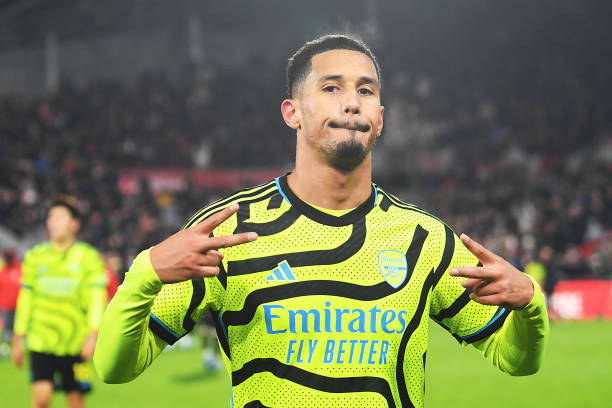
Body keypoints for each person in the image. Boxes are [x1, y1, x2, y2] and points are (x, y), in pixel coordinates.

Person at [94, 34, 549, 408]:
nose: (352, 102)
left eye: (366, 91)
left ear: (380, 119)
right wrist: (146, 272)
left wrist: (531, 305)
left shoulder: (424, 239)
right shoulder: (228, 231)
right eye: (331, 88)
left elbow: (516, 361)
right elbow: (115, 368)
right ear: (292, 112)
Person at [12, 197, 107, 408]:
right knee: (41, 400)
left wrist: (93, 335)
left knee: (76, 399)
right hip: (40, 340)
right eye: (51, 217)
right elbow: (26, 298)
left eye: (60, 217)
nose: (54, 222)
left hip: (77, 342)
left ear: (75, 224)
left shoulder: (89, 257)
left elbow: (96, 299)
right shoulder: (35, 256)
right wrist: (18, 338)